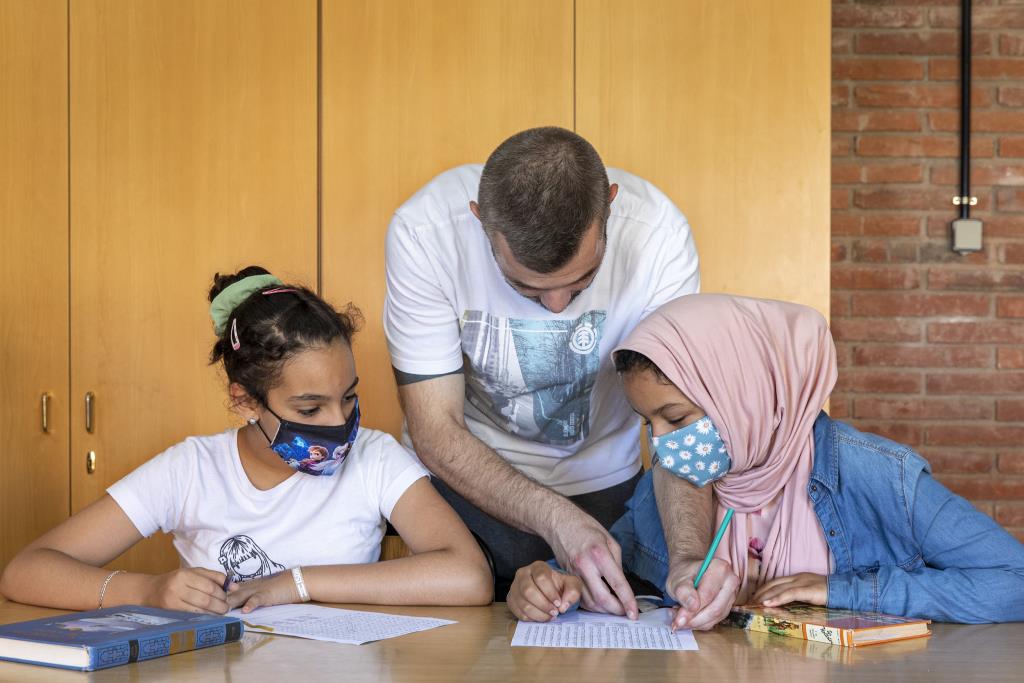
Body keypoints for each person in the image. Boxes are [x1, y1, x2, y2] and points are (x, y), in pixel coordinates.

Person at [385, 126, 732, 624]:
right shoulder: (424, 232)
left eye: (582, 281)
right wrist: (556, 519)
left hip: (609, 490)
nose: (556, 306)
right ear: (480, 221)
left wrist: (686, 558)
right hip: (463, 491)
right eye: (524, 287)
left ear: (609, 206)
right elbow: (434, 428)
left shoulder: (658, 236)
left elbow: (677, 421)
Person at [508, 294, 1024, 625]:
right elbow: (608, 567)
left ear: (744, 394)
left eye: (677, 418)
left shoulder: (875, 475)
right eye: (650, 425)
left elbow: (1014, 580)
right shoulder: (677, 483)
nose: (662, 446)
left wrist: (843, 591)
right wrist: (552, 586)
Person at [0, 267, 492, 614]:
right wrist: (148, 591)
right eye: (308, 408)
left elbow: (468, 576)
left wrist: (295, 584)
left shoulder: (375, 457)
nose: (339, 421)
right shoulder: (190, 469)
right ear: (245, 401)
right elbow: (26, 571)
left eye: (348, 397)